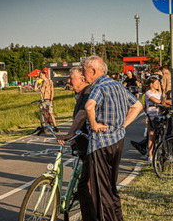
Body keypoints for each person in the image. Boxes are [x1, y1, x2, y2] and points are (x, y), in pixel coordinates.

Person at [83, 56, 143, 221]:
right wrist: (123, 125)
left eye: (84, 71)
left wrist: (94, 124)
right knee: (111, 186)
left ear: (94, 71)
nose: (83, 75)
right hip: (117, 140)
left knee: (101, 190)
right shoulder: (117, 85)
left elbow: (89, 106)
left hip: (100, 143)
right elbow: (138, 105)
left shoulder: (99, 86)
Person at [56, 67, 95, 220]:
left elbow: (82, 115)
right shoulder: (79, 95)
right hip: (82, 143)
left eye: (71, 78)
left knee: (84, 188)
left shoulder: (87, 92)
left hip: (90, 145)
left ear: (82, 79)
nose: (68, 81)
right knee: (82, 185)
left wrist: (70, 134)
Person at [145, 75, 164, 164]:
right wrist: (163, 102)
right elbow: (156, 100)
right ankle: (150, 155)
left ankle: (158, 152)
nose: (158, 84)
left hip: (159, 114)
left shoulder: (159, 93)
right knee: (151, 135)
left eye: (158, 83)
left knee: (160, 135)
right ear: (151, 84)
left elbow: (162, 100)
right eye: (156, 83)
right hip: (152, 116)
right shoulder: (148, 93)